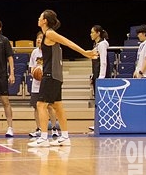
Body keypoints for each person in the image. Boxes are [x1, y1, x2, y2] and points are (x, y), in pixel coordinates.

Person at [28, 9, 98, 148]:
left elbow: (68, 42)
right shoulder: (46, 34)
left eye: (40, 17)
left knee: (41, 105)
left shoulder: (50, 33)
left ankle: (43, 138)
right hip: (55, 75)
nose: (38, 18)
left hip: (51, 75)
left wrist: (85, 53)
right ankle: (65, 136)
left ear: (45, 21)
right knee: (58, 106)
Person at [28, 32, 60, 139]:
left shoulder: (50, 51)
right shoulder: (34, 52)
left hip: (47, 83)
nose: (38, 40)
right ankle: (39, 129)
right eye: (37, 38)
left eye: (41, 38)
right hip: (36, 84)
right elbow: (31, 67)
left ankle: (54, 128)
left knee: (50, 106)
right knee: (36, 107)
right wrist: (34, 73)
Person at [89, 25, 110, 132]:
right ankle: (97, 123)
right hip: (96, 74)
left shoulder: (102, 44)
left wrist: (101, 77)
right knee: (97, 100)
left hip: (101, 77)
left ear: (98, 33)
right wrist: (93, 75)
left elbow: (103, 62)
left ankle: (103, 123)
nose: (91, 34)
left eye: (92, 32)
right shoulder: (96, 44)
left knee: (102, 100)